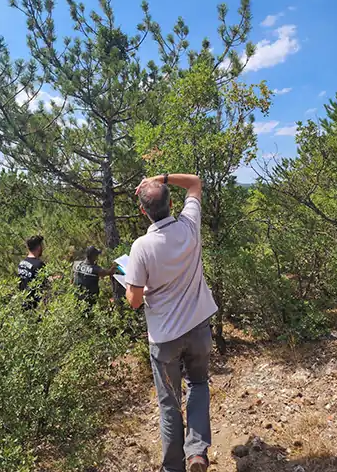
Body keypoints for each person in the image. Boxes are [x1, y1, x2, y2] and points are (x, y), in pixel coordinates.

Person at [123, 173, 217, 472]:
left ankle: (173, 468)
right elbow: (195, 182)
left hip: (165, 338)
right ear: (172, 203)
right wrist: (159, 177)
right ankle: (197, 452)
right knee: (199, 384)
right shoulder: (190, 226)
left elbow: (135, 300)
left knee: (170, 403)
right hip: (199, 327)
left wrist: (128, 286)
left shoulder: (141, 247)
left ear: (143, 211)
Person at [17, 235, 46, 310]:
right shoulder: (39, 264)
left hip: (23, 304)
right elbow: (46, 283)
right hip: (35, 308)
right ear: (39, 247)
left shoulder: (21, 264)